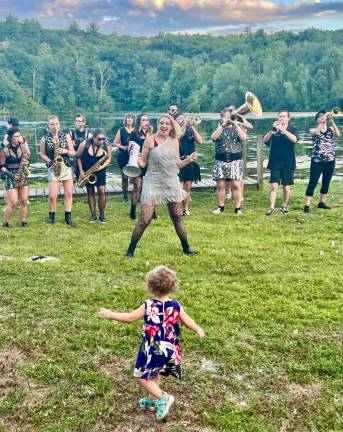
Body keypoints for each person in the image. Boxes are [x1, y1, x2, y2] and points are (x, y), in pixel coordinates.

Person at [99, 265, 205, 421]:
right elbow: (188, 321)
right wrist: (197, 329)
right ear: (172, 287)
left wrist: (111, 314)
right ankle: (153, 400)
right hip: (169, 348)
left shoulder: (149, 305)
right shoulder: (175, 305)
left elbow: (130, 318)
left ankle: (164, 398)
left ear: (150, 287)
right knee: (153, 372)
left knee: (140, 376)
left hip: (153, 348)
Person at [126, 114, 197, 257]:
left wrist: (188, 160)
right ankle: (130, 251)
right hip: (153, 182)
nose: (164, 126)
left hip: (170, 182)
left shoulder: (175, 141)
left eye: (167, 123)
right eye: (162, 123)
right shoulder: (150, 141)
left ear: (171, 126)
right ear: (158, 125)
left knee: (177, 217)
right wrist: (135, 159)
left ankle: (186, 248)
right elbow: (143, 163)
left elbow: (177, 164)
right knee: (145, 219)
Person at [39, 115, 76, 226]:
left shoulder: (66, 136)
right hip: (53, 167)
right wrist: (49, 161)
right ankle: (51, 216)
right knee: (53, 195)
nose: (54, 127)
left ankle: (68, 217)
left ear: (59, 124)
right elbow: (42, 154)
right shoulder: (44, 139)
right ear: (48, 126)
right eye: (52, 124)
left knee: (69, 194)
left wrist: (65, 151)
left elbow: (73, 153)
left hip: (66, 167)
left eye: (56, 124)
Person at [211, 109, 247, 214]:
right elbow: (213, 138)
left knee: (236, 185)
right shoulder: (219, 128)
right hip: (220, 160)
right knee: (220, 186)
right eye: (224, 116)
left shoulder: (237, 128)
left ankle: (237, 208)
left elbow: (244, 138)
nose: (227, 118)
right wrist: (222, 126)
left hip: (235, 161)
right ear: (221, 118)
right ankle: (221, 208)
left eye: (228, 116)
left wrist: (236, 125)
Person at [262, 110, 299, 215]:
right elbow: (265, 140)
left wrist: (283, 130)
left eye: (284, 116)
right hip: (275, 161)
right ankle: (271, 207)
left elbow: (295, 140)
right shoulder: (274, 129)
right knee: (274, 185)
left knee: (286, 186)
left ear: (288, 118)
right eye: (280, 116)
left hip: (288, 162)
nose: (281, 118)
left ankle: (284, 205)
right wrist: (272, 130)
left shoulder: (292, 129)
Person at [304, 110, 340, 213]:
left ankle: (321, 203)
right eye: (320, 117)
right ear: (317, 120)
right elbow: (316, 133)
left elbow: (338, 134)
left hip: (330, 160)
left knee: (326, 182)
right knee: (313, 182)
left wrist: (331, 121)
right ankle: (306, 206)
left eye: (324, 116)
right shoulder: (313, 129)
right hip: (317, 160)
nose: (323, 118)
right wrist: (322, 122)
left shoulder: (331, 129)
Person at [77, 128, 112, 223]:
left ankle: (102, 216)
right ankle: (93, 215)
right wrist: (81, 172)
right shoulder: (84, 144)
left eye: (103, 139)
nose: (102, 141)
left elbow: (109, 158)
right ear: (93, 137)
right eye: (99, 139)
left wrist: (101, 167)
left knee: (102, 192)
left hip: (100, 170)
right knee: (90, 192)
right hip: (87, 171)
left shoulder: (106, 145)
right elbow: (78, 157)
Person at [0, 127, 30, 228]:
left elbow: (27, 160)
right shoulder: (4, 150)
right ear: (10, 138)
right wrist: (12, 175)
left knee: (24, 201)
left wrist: (27, 162)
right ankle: (5, 223)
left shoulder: (23, 147)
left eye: (19, 136)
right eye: (15, 136)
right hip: (10, 175)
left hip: (22, 174)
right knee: (12, 203)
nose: (18, 138)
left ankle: (22, 222)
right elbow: (1, 167)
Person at [176, 114, 203, 216]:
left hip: (190, 161)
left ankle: (185, 209)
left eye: (184, 119)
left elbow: (200, 141)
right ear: (176, 121)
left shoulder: (190, 130)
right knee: (178, 186)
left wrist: (192, 127)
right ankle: (177, 209)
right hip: (178, 161)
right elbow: (179, 136)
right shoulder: (173, 131)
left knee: (187, 186)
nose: (183, 120)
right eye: (181, 119)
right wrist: (184, 125)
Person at [129, 114, 153, 220]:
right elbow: (131, 149)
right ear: (139, 122)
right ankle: (133, 210)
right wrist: (141, 155)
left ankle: (151, 211)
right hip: (138, 163)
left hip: (149, 164)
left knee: (149, 188)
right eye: (143, 120)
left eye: (147, 120)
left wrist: (150, 133)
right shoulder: (134, 133)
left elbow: (153, 147)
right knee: (137, 187)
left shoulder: (151, 133)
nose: (146, 122)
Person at [113, 113, 135, 202]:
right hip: (123, 156)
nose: (129, 119)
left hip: (133, 156)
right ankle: (125, 196)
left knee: (134, 178)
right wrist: (123, 147)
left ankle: (135, 196)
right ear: (125, 120)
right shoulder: (121, 130)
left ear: (134, 120)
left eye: (131, 118)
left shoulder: (137, 130)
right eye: (128, 118)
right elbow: (116, 142)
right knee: (124, 178)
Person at [68, 113, 92, 180]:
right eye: (76, 121)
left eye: (79, 121)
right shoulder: (71, 133)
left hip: (84, 157)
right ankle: (74, 178)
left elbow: (91, 146)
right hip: (75, 157)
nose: (77, 123)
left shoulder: (88, 133)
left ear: (84, 123)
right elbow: (68, 146)